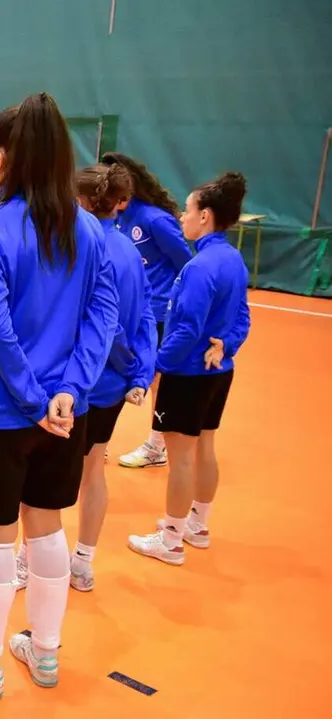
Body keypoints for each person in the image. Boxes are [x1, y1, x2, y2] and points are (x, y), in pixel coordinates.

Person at [0, 92, 118, 700]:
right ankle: (45, 651)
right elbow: (102, 317)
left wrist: (36, 398)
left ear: (6, 156)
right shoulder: (89, 230)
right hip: (65, 415)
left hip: (1, 410)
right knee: (46, 526)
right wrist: (69, 391)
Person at [13, 163, 156, 592]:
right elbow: (146, 315)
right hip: (111, 386)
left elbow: (104, 323)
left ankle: (27, 560)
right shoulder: (130, 250)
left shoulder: (87, 247)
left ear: (82, 202)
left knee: (40, 485)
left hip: (80, 385)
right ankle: (83, 563)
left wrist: (124, 363)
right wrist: (140, 371)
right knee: (95, 470)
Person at [127, 172, 251, 565]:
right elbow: (242, 317)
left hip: (188, 375)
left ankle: (171, 539)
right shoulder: (232, 259)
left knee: (180, 457)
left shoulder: (198, 269)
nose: (182, 216)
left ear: (207, 216)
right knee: (205, 448)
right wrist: (228, 344)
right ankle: (198, 526)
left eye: (189, 210)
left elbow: (186, 329)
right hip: (219, 373)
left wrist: (155, 369)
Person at [101, 152, 193, 469]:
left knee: (155, 379)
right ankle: (99, 439)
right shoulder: (114, 218)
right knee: (116, 371)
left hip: (159, 313)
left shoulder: (155, 220)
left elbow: (187, 266)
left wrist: (175, 302)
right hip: (128, 310)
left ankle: (157, 445)